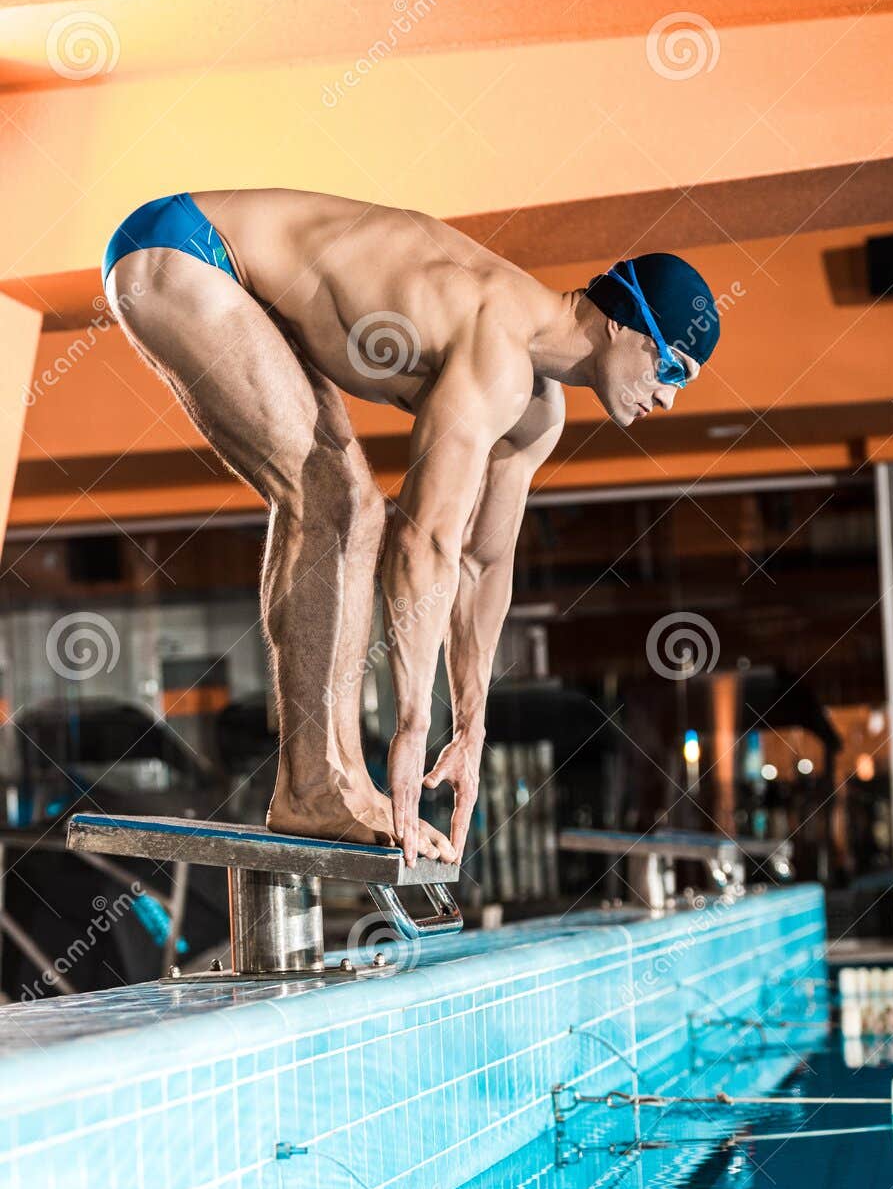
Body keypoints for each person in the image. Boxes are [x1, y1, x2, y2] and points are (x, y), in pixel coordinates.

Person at [102, 190, 720, 864]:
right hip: (186, 251)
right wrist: (414, 724)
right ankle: (315, 787)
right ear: (621, 325)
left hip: (226, 271)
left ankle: (329, 784)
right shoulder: (499, 346)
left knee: (350, 504)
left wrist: (472, 727)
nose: (667, 396)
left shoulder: (537, 416)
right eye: (669, 368)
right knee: (332, 500)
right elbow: (422, 544)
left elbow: (480, 566)